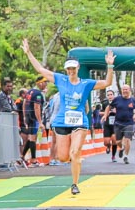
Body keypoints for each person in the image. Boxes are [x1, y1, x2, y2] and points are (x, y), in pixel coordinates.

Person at [22, 40, 115, 194]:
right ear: (66, 70)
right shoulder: (61, 79)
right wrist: (28, 52)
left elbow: (107, 82)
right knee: (63, 157)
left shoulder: (86, 83)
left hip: (79, 122)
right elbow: (40, 69)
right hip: (62, 122)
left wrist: (110, 66)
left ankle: (75, 184)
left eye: (73, 68)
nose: (71, 71)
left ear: (78, 68)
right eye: (68, 68)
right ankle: (72, 163)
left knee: (75, 152)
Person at [106, 84, 135, 164]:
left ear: (129, 90)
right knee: (118, 142)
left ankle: (126, 156)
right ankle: (121, 148)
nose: (125, 91)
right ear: (121, 90)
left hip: (129, 123)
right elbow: (109, 107)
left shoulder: (133, 100)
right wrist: (105, 115)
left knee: (127, 140)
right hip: (118, 123)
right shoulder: (117, 99)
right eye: (123, 89)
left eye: (126, 89)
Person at [22, 77, 47, 166]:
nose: (46, 84)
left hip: (29, 117)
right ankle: (33, 159)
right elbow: (37, 107)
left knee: (30, 138)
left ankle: (22, 156)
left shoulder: (30, 91)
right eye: (45, 82)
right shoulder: (38, 94)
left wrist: (25, 116)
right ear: (40, 83)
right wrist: (40, 122)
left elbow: (24, 103)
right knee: (33, 138)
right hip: (33, 118)